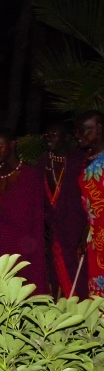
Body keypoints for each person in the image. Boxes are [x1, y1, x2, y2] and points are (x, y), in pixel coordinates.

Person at [0, 130, 48, 295]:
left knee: (23, 287)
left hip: (23, 242)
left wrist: (34, 246)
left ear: (12, 144)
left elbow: (37, 213)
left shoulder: (31, 174)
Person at [37, 121, 89, 299]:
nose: (48, 137)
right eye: (46, 134)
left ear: (67, 138)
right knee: (56, 275)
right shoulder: (43, 163)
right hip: (55, 232)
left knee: (80, 275)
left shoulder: (81, 161)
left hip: (79, 230)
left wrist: (86, 232)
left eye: (54, 134)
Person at [75, 110, 104, 297]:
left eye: (83, 130)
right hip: (96, 241)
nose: (78, 135)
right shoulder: (86, 161)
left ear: (98, 129)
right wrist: (86, 234)